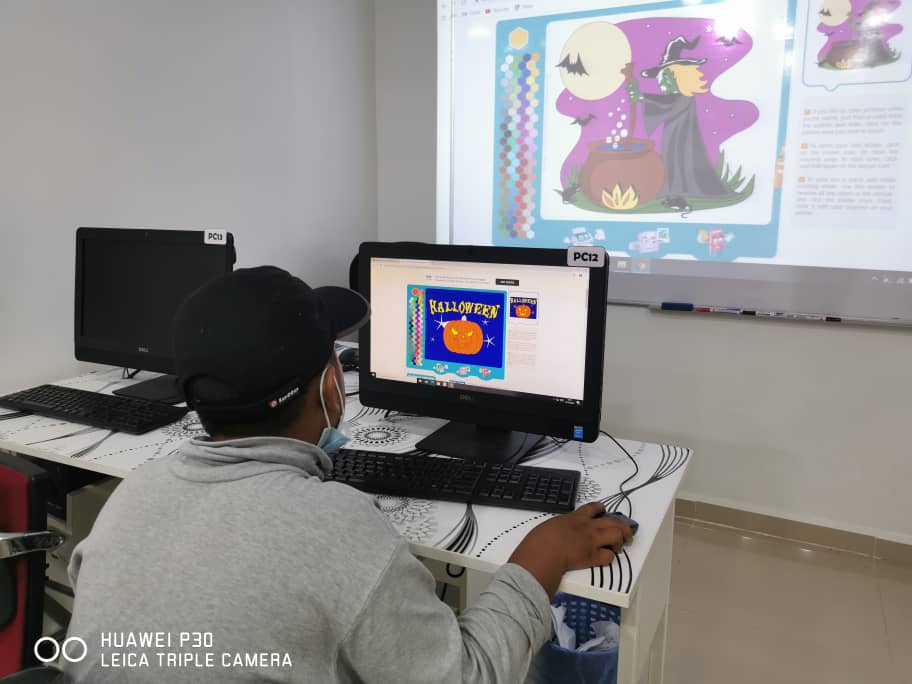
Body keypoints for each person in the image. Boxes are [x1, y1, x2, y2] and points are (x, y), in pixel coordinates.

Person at [62, 265, 632, 683]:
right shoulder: (336, 525)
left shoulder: (134, 493)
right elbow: (469, 675)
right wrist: (542, 554)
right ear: (331, 386)